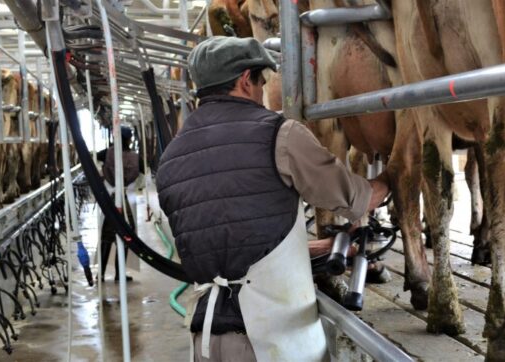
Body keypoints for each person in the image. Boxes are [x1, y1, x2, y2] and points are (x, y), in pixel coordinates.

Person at [156, 36, 390, 362]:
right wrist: (391, 179)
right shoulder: (279, 135)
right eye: (262, 80)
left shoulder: (171, 157)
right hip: (270, 339)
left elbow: (231, 245)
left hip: (207, 341)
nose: (264, 91)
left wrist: (323, 247)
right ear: (244, 80)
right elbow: (355, 199)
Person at [97, 126, 140, 282]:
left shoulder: (106, 153)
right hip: (127, 200)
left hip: (110, 199)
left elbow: (93, 157)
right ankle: (119, 273)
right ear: (129, 139)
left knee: (107, 237)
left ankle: (100, 274)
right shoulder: (136, 158)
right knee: (126, 236)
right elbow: (141, 172)